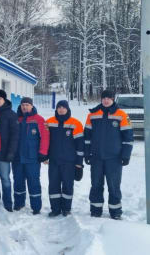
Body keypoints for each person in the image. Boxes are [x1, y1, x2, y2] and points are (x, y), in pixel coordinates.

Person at [84, 89, 133, 220]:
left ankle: (115, 211)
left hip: (114, 159)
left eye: (109, 98)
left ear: (113, 99)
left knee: (114, 185)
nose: (106, 100)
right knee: (96, 184)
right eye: (104, 98)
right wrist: (87, 154)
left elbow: (128, 137)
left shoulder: (122, 115)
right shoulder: (92, 115)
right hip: (96, 157)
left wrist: (126, 155)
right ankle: (95, 209)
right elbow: (87, 137)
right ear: (101, 99)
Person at [46, 100, 84, 217]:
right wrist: (44, 156)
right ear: (56, 109)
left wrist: (79, 162)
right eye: (59, 107)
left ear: (68, 109)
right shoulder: (49, 122)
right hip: (53, 161)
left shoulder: (75, 123)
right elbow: (44, 141)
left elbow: (80, 145)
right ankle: (55, 209)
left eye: (63, 107)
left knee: (68, 185)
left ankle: (66, 209)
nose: (61, 109)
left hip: (69, 162)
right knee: (53, 185)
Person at [13, 97, 49, 215]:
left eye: (27, 105)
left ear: (32, 106)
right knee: (18, 181)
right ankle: (19, 203)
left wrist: (43, 153)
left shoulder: (39, 120)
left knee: (33, 182)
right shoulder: (16, 119)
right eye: (23, 105)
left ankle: (36, 206)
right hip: (17, 157)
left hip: (32, 158)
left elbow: (45, 137)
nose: (25, 107)